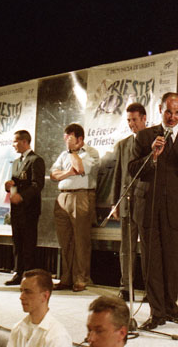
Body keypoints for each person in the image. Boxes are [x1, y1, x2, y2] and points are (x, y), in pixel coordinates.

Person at [128, 92, 178, 330]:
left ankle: (172, 309)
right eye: (168, 112)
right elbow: (132, 170)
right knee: (152, 263)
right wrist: (152, 156)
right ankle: (156, 312)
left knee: (173, 262)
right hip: (148, 208)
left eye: (177, 113)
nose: (172, 117)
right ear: (160, 109)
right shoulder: (144, 136)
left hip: (175, 210)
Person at [50, 123, 99, 292]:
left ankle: (81, 278)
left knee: (81, 240)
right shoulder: (63, 154)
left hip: (81, 196)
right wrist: (68, 173)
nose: (66, 142)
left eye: (69, 139)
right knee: (65, 240)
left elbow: (80, 168)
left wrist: (72, 152)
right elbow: (53, 174)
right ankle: (66, 278)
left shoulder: (90, 152)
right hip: (63, 196)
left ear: (79, 139)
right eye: (65, 139)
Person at [111, 103, 146, 301]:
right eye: (129, 120)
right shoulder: (123, 145)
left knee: (148, 249)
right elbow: (118, 175)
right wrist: (115, 202)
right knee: (126, 248)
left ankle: (151, 289)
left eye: (135, 119)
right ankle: (126, 287)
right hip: (127, 202)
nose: (132, 124)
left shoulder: (153, 140)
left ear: (144, 119)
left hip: (146, 203)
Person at [4, 130, 46, 286]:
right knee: (17, 242)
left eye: (15, 141)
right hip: (16, 209)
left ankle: (28, 274)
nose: (13, 145)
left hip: (29, 209)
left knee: (28, 243)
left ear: (24, 142)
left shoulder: (36, 160)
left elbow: (37, 185)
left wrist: (22, 196)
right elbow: (16, 183)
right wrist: (9, 187)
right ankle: (18, 272)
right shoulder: (16, 162)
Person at [7, 269, 72, 347]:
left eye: (28, 292)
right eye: (21, 291)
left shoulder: (57, 336)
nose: (21, 297)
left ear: (45, 296)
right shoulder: (17, 328)